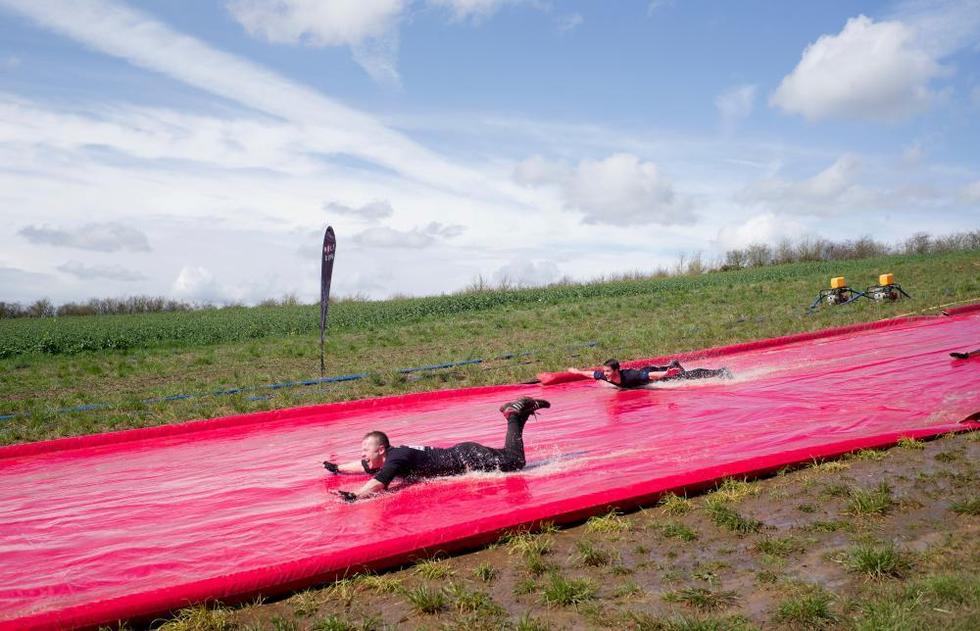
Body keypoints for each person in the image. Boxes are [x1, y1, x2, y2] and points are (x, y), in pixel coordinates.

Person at [323, 396, 550, 501]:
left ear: (381, 449)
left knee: (515, 461)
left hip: (468, 458)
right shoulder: (388, 457)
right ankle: (517, 414)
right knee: (511, 458)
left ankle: (514, 415)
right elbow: (364, 466)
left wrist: (355, 496)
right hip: (463, 453)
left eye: (366, 449)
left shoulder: (394, 460)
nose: (363, 455)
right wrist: (337, 468)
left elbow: (377, 485)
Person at [566, 358, 732, 389]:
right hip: (648, 371)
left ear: (617, 370)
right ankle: (670, 365)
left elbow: (652, 377)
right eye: (605, 371)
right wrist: (576, 371)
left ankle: (720, 372)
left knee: (684, 376)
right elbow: (590, 374)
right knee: (672, 373)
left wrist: (667, 373)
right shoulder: (605, 375)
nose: (605, 374)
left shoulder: (630, 377)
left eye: (608, 371)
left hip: (650, 373)